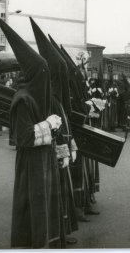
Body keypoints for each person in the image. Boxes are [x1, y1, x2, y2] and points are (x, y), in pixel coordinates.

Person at [0, 16, 65, 248]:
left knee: (44, 203)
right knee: (33, 205)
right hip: (31, 161)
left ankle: (45, 241)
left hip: (44, 158)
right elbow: (24, 137)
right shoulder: (23, 100)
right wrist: (50, 124)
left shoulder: (35, 95)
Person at [31, 18, 79, 245]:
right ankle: (57, 235)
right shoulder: (46, 99)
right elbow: (51, 128)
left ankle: (63, 231)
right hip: (52, 154)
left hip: (62, 151)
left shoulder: (57, 98)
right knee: (56, 196)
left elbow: (65, 124)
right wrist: (63, 151)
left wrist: (71, 146)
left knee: (62, 195)